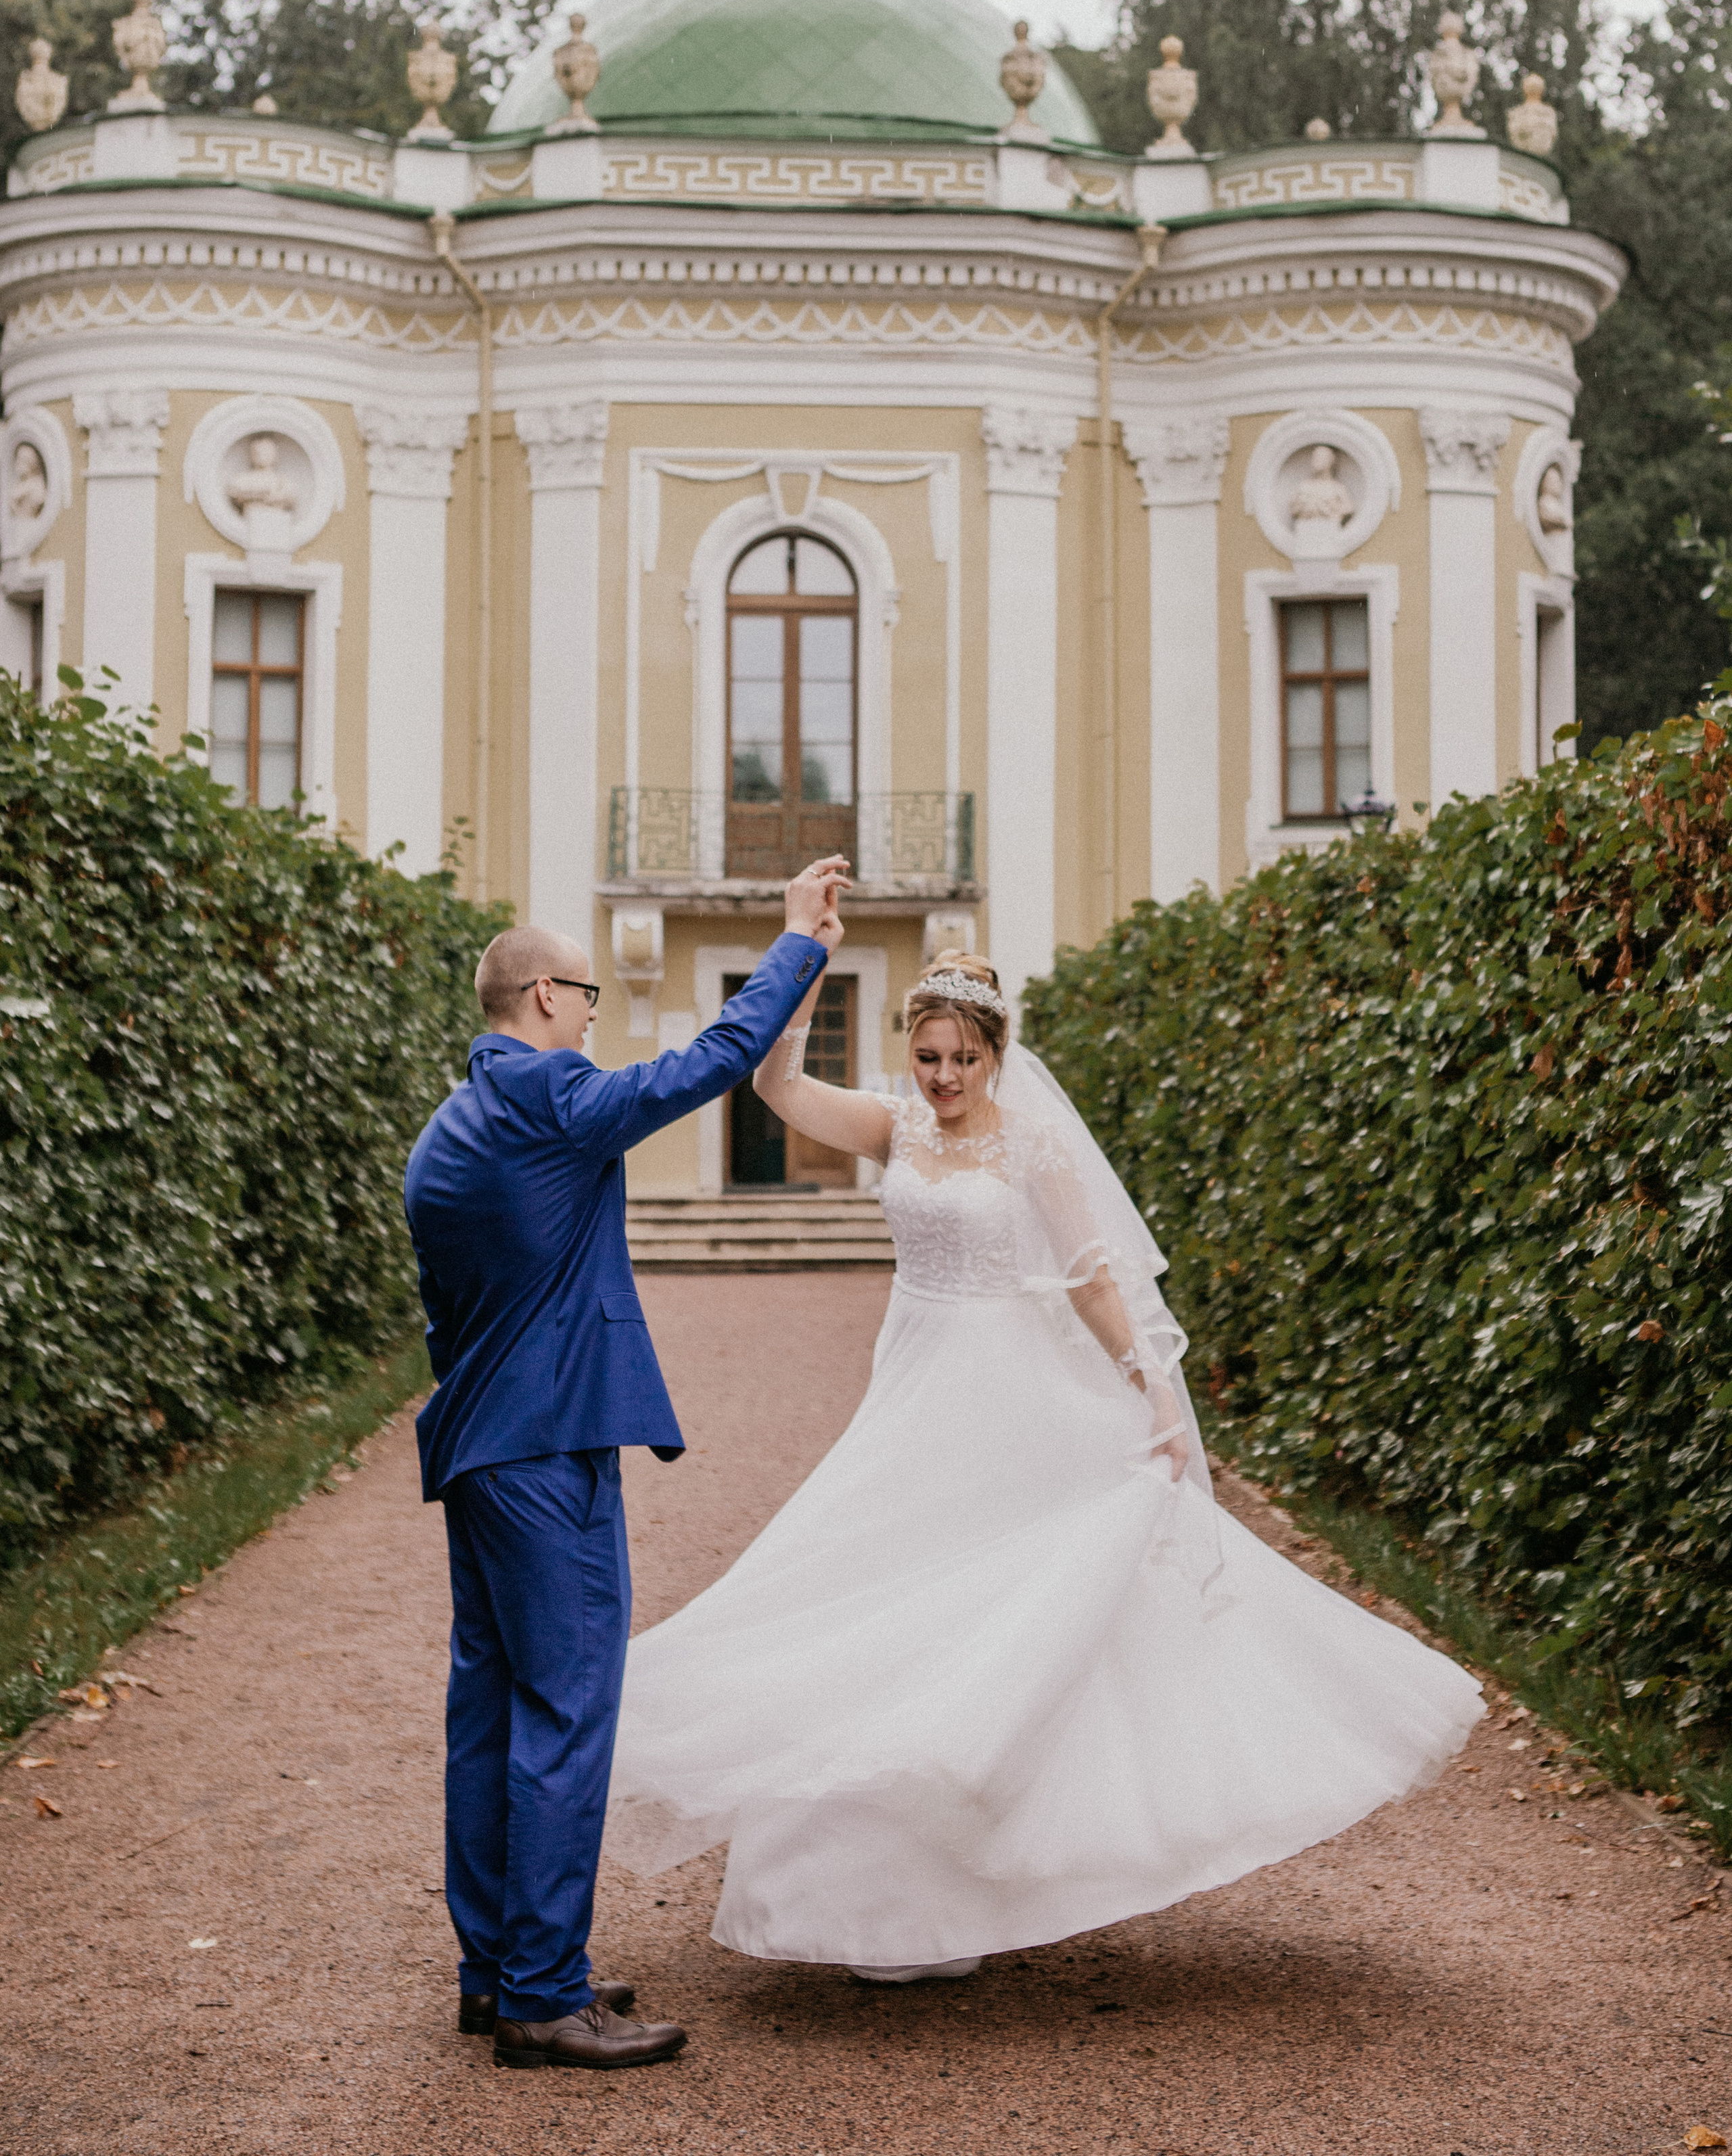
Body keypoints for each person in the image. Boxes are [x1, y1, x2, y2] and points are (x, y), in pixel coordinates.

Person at [606, 950, 1484, 1981]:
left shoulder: (1036, 1148)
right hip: (915, 1388)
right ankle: (879, 1906)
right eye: (927, 1055)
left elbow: (1091, 1279)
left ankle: (974, 1874)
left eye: (961, 1059)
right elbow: (777, 1087)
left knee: (1006, 1618)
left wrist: (1153, 1385)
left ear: (995, 1055)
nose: (942, 1077)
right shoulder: (896, 1125)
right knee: (883, 1605)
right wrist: (804, 974)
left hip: (1011, 1398)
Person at [404, 855, 847, 2069]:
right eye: (588, 995)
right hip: (549, 1453)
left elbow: (449, 1317)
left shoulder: (445, 1131)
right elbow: (705, 1064)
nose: (596, 1014)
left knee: (489, 1712)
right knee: (565, 1714)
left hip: (480, 1449)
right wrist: (799, 943)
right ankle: (547, 1994)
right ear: (545, 995)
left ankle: (496, 1974)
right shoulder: (553, 1100)